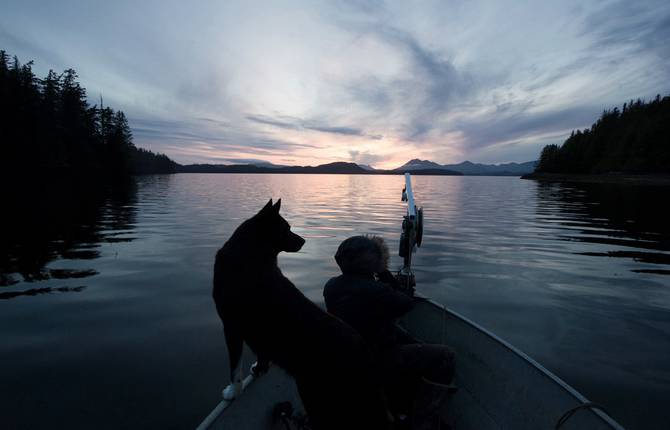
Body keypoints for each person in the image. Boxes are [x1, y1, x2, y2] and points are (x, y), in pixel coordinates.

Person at [323, 235, 455, 430]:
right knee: (446, 357)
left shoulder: (331, 286)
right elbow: (406, 303)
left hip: (348, 359)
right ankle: (421, 419)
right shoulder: (377, 291)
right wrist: (384, 273)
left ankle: (395, 401)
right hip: (377, 360)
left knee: (403, 337)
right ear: (372, 263)